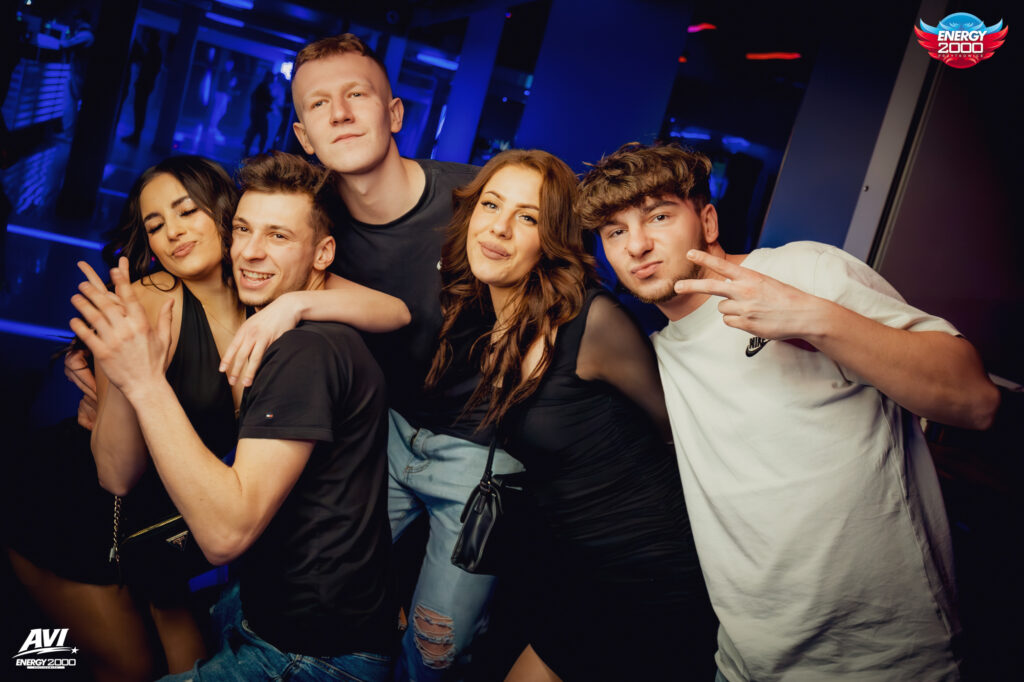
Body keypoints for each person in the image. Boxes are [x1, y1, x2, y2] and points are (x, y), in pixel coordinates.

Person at [576, 142, 1002, 681]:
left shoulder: (800, 271)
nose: (637, 245)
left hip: (883, 660)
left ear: (708, 221)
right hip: (744, 661)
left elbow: (975, 401)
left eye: (659, 216)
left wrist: (815, 319)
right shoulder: (655, 357)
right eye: (615, 232)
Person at [11, 154, 408, 681]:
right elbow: (115, 475)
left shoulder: (262, 283)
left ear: (223, 214)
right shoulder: (147, 302)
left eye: (186, 211)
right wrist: (129, 377)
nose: (172, 232)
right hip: (73, 509)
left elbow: (397, 311)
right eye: (155, 224)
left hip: (170, 519)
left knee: (190, 659)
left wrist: (293, 308)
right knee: (130, 666)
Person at [423, 148, 716, 680]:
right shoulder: (490, 326)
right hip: (576, 572)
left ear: (552, 239)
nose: (499, 228)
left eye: (527, 217)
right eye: (491, 205)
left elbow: (681, 434)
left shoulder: (592, 322)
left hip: (648, 577)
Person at [285, 34, 518, 678]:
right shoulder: (315, 223)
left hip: (483, 447)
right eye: (319, 104)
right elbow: (230, 257)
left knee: (436, 649)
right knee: (309, 581)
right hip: (384, 434)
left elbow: (569, 284)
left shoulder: (475, 201)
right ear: (305, 137)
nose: (340, 113)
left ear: (393, 114)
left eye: (356, 95)